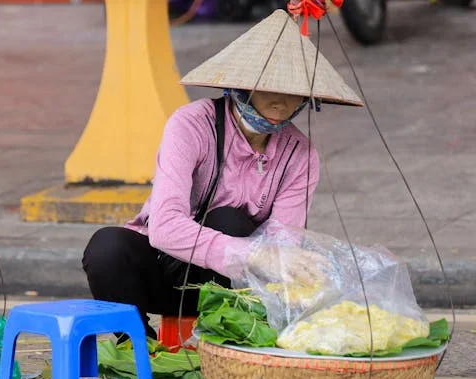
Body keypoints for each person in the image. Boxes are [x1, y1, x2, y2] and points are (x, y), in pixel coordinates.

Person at [82, 10, 364, 338]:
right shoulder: (191, 124)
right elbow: (165, 228)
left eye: (293, 91)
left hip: (236, 288)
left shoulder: (300, 155)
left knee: (229, 219)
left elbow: (283, 242)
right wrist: (255, 253)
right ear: (240, 85)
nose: (281, 101)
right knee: (107, 248)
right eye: (269, 87)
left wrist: (281, 262)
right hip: (165, 270)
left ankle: (226, 342)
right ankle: (138, 348)